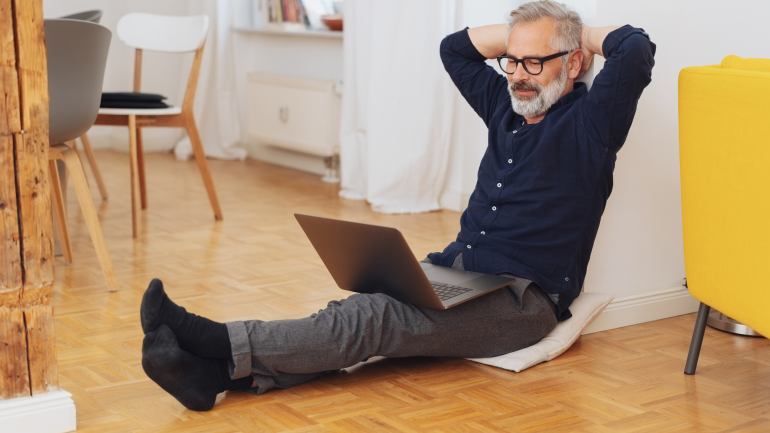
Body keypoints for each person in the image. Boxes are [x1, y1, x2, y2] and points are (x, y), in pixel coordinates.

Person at [140, 1, 655, 411]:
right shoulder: (506, 104)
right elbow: (454, 49)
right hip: (459, 271)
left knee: (373, 318)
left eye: (534, 63)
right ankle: (213, 377)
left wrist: (571, 30)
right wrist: (526, 36)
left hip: (522, 303)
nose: (518, 75)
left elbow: (634, 48)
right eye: (512, 61)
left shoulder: (593, 122)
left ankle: (211, 340)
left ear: (576, 62)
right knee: (356, 310)